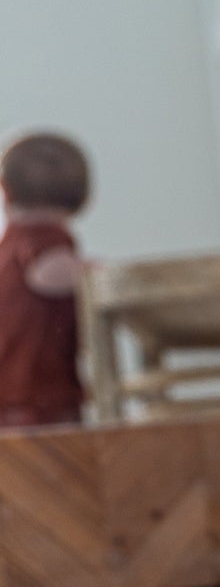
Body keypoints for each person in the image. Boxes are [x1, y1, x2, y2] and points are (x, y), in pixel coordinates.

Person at [0, 132, 91, 430]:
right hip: (37, 391)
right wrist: (96, 273)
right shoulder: (47, 239)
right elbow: (48, 273)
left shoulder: (10, 244)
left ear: (7, 192)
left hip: (13, 387)